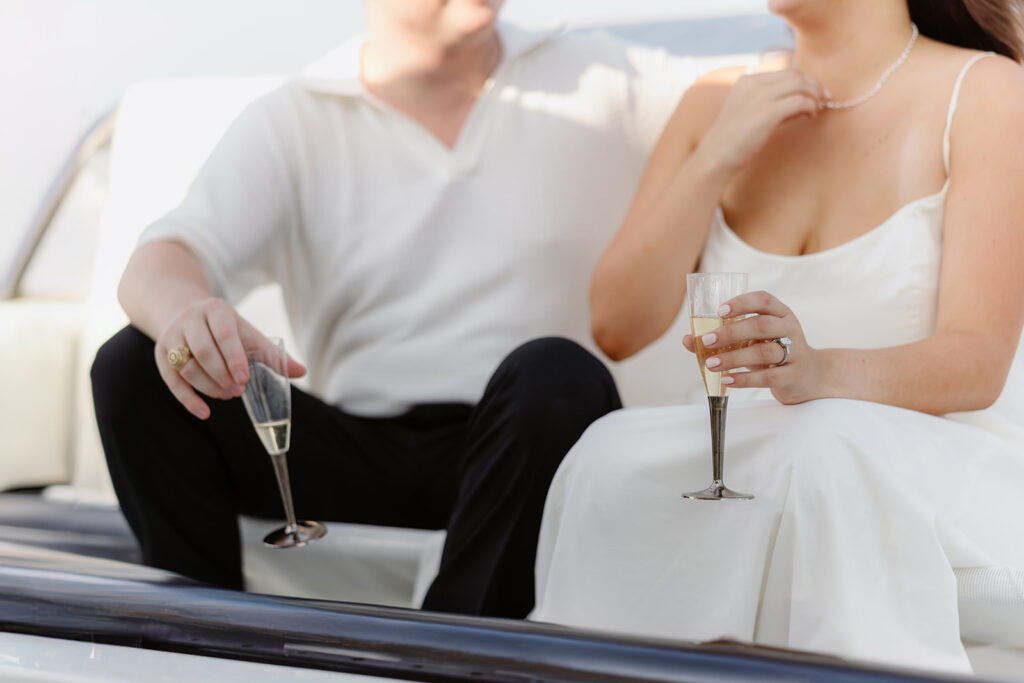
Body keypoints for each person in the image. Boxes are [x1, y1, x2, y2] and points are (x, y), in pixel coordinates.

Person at [89, 0, 696, 619]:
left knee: (559, 375)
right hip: (357, 454)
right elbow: (162, 258)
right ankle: (201, 640)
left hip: (524, 446)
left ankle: (452, 651)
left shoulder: (599, 76)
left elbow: (759, 81)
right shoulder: (296, 116)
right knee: (135, 362)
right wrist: (186, 315)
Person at [531, 0, 1024, 672]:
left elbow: (978, 362)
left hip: (933, 458)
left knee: (821, 448)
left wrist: (817, 371)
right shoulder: (714, 103)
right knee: (604, 453)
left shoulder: (986, 91)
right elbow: (618, 324)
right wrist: (716, 154)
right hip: (758, 446)